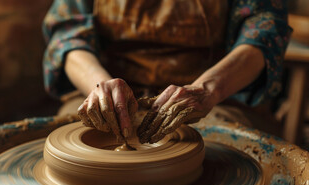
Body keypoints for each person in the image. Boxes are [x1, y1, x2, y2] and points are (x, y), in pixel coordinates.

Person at [42, 0, 291, 144]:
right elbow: (68, 36)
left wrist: (207, 90)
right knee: (67, 142)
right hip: (105, 84)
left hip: (216, 95)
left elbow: (264, 33)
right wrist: (100, 86)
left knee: (223, 154)